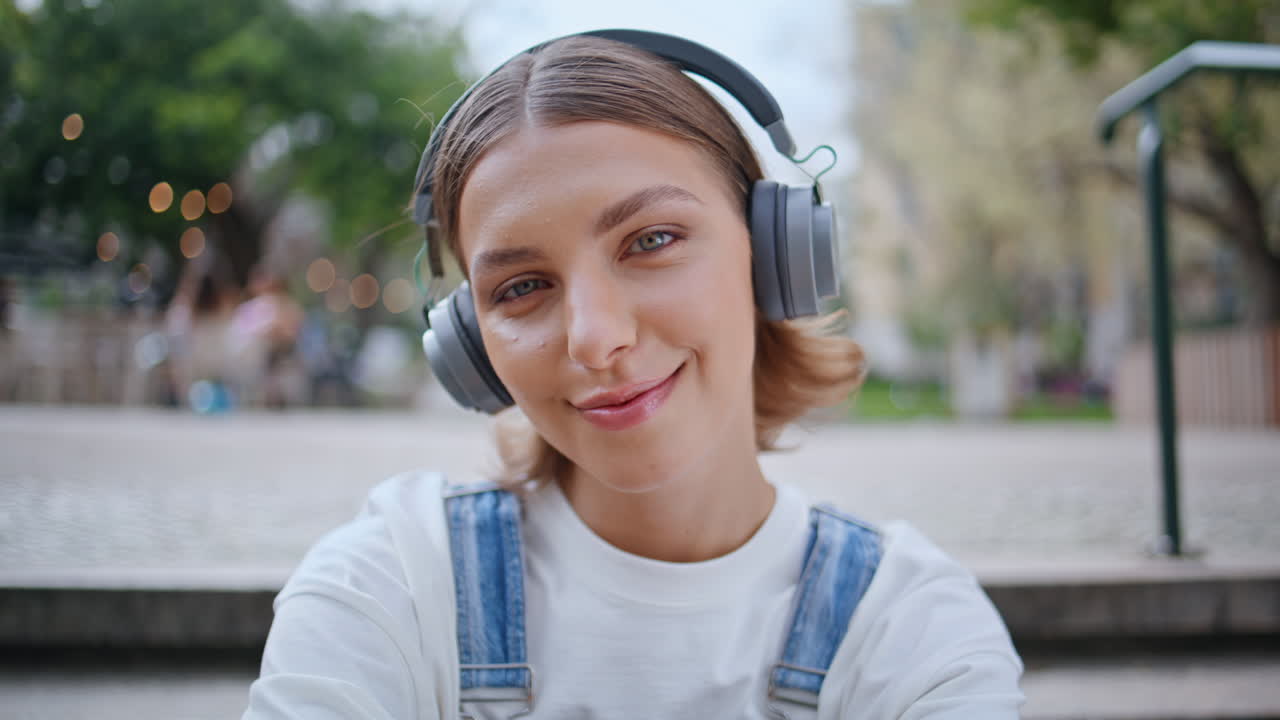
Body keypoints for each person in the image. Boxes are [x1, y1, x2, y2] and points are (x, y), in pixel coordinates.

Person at [243, 31, 1023, 719]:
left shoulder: (910, 625)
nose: (596, 339)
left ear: (775, 251)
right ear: (472, 344)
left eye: (651, 240)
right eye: (520, 288)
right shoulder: (393, 584)